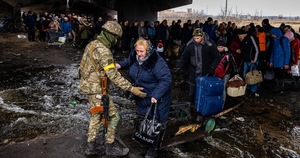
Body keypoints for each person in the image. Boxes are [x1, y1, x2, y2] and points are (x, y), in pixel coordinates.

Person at [78, 21, 147, 156]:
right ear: (111, 35)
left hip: (89, 87)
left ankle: (90, 147)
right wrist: (131, 88)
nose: (116, 41)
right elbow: (113, 76)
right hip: (97, 89)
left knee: (96, 116)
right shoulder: (104, 51)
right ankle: (110, 146)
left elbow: (88, 66)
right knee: (115, 116)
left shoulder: (92, 44)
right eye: (116, 38)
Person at [115, 38, 172, 158]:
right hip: (142, 95)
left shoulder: (157, 62)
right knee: (145, 118)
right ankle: (146, 139)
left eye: (142, 51)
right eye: (137, 51)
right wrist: (119, 65)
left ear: (148, 50)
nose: (139, 54)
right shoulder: (135, 57)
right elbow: (129, 62)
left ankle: (154, 147)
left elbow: (166, 79)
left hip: (157, 97)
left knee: (156, 122)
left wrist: (156, 95)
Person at [176, 28, 221, 105]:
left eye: (198, 38)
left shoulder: (210, 45)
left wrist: (212, 67)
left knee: (204, 92)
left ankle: (203, 108)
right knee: (192, 93)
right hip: (193, 72)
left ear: (202, 37)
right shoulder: (190, 45)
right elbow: (184, 57)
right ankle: (193, 106)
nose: (196, 40)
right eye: (194, 38)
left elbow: (217, 57)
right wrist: (180, 67)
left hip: (206, 72)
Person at [237, 29, 260, 97]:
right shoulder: (244, 40)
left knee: (253, 76)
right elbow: (246, 48)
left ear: (243, 34)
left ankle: (253, 90)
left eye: (239, 36)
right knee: (245, 75)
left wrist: (255, 59)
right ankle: (247, 87)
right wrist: (241, 50)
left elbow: (256, 49)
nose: (239, 37)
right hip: (246, 60)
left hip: (252, 60)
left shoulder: (251, 37)